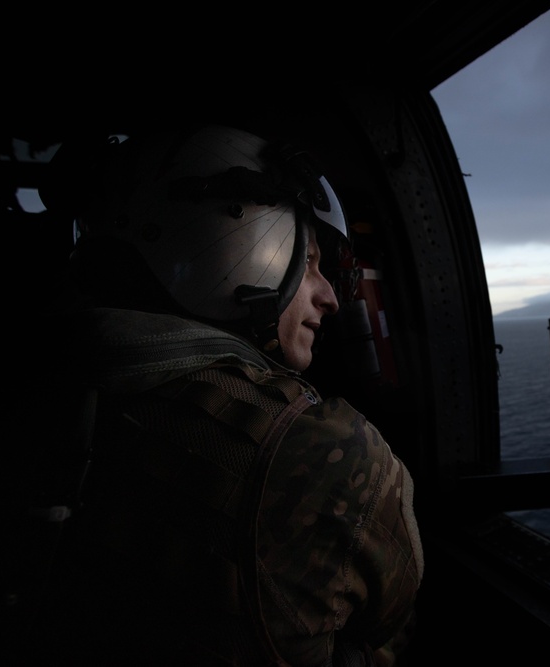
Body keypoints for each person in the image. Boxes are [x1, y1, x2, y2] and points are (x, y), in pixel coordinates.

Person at [28, 124, 424, 666]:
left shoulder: (23, 372)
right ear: (241, 238)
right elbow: (390, 620)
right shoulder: (323, 458)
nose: (329, 296)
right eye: (308, 261)